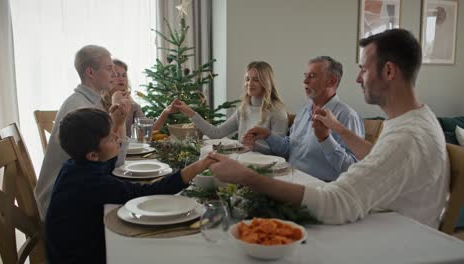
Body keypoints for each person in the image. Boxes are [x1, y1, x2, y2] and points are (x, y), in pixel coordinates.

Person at [209, 29, 449, 228]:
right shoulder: (410, 122)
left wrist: (246, 176)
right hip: (375, 224)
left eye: (363, 69)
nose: (357, 79)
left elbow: (336, 203)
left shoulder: (408, 137)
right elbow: (378, 157)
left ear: (388, 71)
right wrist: (336, 130)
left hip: (386, 240)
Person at [44, 108, 215, 263]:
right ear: (93, 155)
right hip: (80, 257)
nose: (117, 137)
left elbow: (108, 164)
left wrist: (118, 123)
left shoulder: (75, 166)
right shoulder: (92, 183)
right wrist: (198, 166)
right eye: (111, 138)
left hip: (68, 247)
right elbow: (149, 192)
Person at [35, 45, 131, 219]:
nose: (114, 75)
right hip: (62, 205)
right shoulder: (82, 109)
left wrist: (119, 120)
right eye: (109, 69)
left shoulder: (93, 102)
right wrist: (119, 122)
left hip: (77, 190)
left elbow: (113, 161)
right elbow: (114, 162)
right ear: (90, 72)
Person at [244, 56, 364, 181]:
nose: (305, 81)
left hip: (322, 190)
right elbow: (290, 149)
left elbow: (354, 168)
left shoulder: (347, 116)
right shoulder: (304, 110)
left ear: (332, 81)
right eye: (305, 76)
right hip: (290, 181)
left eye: (312, 76)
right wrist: (268, 135)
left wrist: (325, 139)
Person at [173, 61, 288, 143]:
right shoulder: (243, 109)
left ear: (266, 82)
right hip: (243, 162)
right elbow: (216, 133)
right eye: (247, 79)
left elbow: (280, 151)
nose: (250, 83)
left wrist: (253, 146)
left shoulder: (278, 111)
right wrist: (190, 113)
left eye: (256, 80)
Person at [101, 59, 176, 138]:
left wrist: (165, 112)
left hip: (129, 149)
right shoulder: (99, 103)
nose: (121, 79)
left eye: (124, 75)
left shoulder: (133, 105)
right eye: (116, 75)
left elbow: (147, 132)